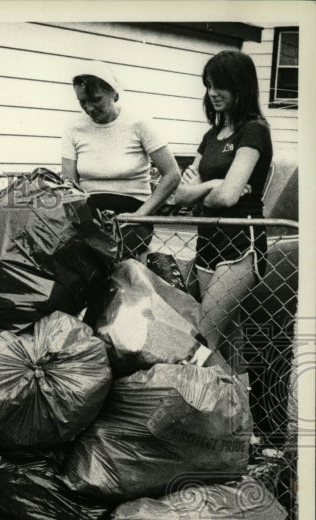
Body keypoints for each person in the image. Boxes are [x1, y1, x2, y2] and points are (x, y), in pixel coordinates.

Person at [168, 50, 273, 358]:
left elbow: (227, 198)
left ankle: (197, 398)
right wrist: (214, 184)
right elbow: (179, 195)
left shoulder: (253, 130)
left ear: (241, 87)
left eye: (221, 85)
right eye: (209, 85)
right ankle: (236, 404)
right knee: (226, 340)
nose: (213, 93)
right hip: (208, 239)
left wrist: (202, 188)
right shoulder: (211, 135)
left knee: (205, 335)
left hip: (240, 240)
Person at [61, 60, 180, 258]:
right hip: (90, 217)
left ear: (114, 94)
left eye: (96, 100)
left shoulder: (138, 123)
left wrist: (142, 215)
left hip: (132, 217)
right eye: (82, 101)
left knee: (108, 256)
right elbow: (69, 184)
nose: (89, 108)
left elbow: (172, 174)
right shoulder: (73, 128)